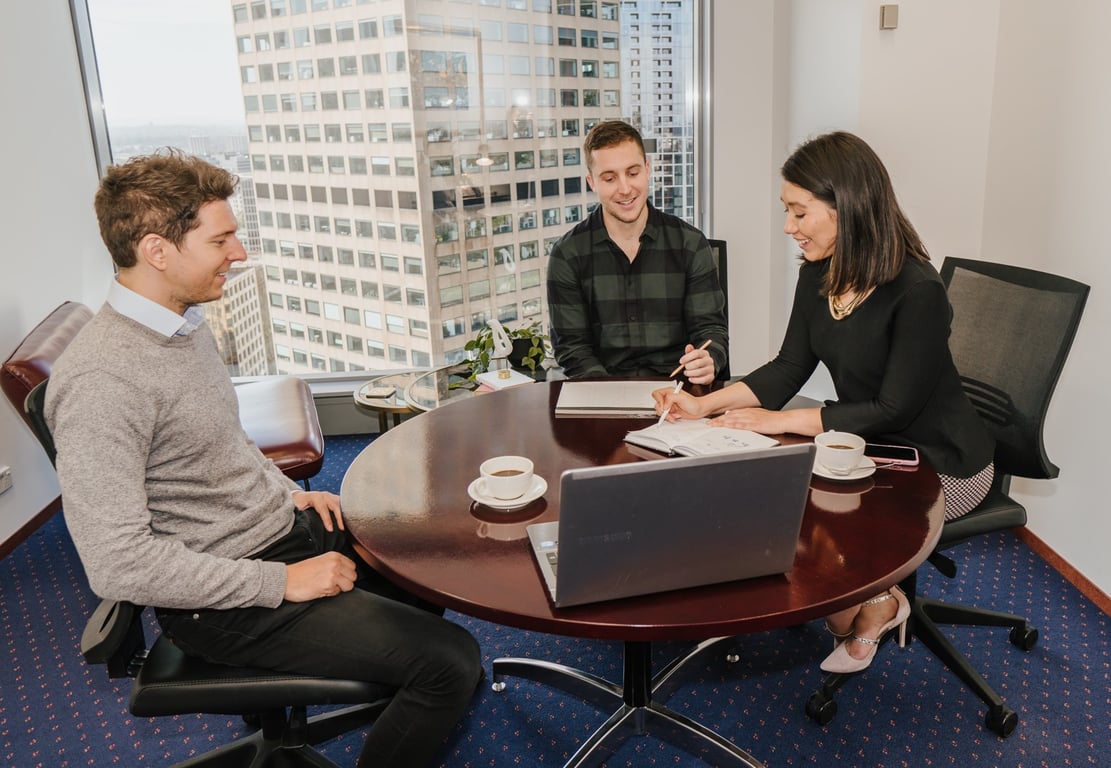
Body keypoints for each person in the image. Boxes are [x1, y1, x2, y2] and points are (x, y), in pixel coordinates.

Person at [45, 150, 483, 768]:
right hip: (223, 597)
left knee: (424, 555)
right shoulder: (102, 382)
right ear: (157, 250)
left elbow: (220, 442)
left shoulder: (180, 322)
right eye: (221, 239)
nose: (240, 253)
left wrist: (286, 494)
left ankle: (392, 694)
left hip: (275, 528)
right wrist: (280, 583)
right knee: (452, 664)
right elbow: (117, 565)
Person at [654, 131, 995, 674]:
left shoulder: (917, 291)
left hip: (940, 460)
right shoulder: (819, 270)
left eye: (799, 212)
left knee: (815, 515)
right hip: (863, 441)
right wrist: (706, 405)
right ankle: (879, 599)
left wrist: (782, 421)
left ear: (848, 209)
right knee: (787, 497)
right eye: (785, 210)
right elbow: (789, 365)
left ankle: (879, 600)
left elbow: (894, 409)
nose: (788, 226)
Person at [546, 119, 728, 383]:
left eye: (632, 173)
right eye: (609, 178)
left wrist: (708, 359)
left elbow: (711, 330)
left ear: (647, 169)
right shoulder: (567, 254)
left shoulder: (690, 242)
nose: (624, 189)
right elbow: (573, 350)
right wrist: (612, 399)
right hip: (603, 392)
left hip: (678, 391)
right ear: (592, 182)